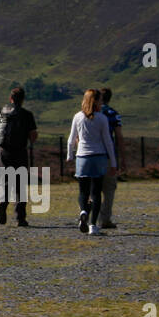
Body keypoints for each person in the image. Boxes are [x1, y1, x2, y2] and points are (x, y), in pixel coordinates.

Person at [67, 88, 117, 235]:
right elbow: (108, 141)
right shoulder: (102, 118)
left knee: (83, 191)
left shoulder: (77, 117)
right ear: (97, 101)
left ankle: (83, 211)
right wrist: (113, 162)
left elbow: (71, 139)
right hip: (99, 157)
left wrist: (70, 155)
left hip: (82, 157)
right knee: (96, 192)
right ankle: (93, 225)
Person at [0, 86, 38, 226]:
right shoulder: (27, 114)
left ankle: (2, 203)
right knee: (20, 184)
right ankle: (20, 217)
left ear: (11, 99)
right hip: (20, 151)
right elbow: (33, 136)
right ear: (22, 100)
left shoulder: (1, 113)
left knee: (4, 180)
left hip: (3, 151)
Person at [98, 88, 123, 228]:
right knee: (109, 189)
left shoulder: (90, 113)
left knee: (92, 189)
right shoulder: (113, 114)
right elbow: (118, 136)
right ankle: (105, 218)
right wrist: (122, 157)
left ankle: (88, 215)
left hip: (92, 155)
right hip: (108, 155)